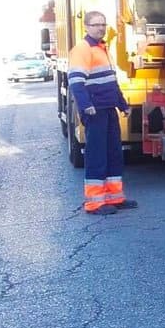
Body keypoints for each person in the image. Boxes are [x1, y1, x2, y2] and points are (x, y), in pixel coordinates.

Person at [68, 11, 137, 215]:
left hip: (108, 109)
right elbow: (76, 82)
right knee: (97, 155)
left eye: (103, 25)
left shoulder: (103, 49)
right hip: (95, 111)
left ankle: (115, 198)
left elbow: (110, 82)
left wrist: (123, 105)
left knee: (114, 153)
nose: (100, 28)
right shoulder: (82, 49)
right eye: (96, 25)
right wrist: (85, 105)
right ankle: (94, 203)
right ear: (86, 27)